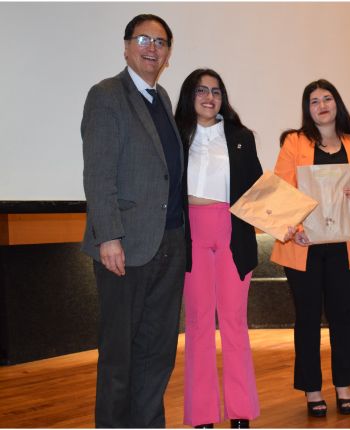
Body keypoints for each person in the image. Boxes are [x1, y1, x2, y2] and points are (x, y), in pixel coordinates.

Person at [81, 14, 188, 427]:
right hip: (124, 246)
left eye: (160, 42)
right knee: (119, 355)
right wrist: (108, 236)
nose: (152, 48)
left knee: (157, 353)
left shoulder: (162, 100)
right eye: (143, 39)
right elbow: (98, 174)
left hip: (169, 243)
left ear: (168, 55)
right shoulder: (107, 95)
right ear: (126, 47)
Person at [270, 79, 350, 417]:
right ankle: (312, 389)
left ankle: (344, 385)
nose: (322, 105)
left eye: (327, 98)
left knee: (342, 316)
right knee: (307, 318)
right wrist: (296, 229)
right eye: (314, 101)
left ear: (336, 103)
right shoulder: (294, 142)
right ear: (308, 109)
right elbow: (282, 189)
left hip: (344, 244)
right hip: (304, 245)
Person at [174, 69, 262, 428]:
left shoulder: (241, 137)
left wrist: (287, 222)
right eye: (201, 90)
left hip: (233, 232)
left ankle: (241, 413)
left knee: (234, 322)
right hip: (191, 233)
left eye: (216, 91)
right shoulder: (175, 134)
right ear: (189, 95)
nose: (209, 97)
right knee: (197, 323)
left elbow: (258, 191)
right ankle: (202, 416)